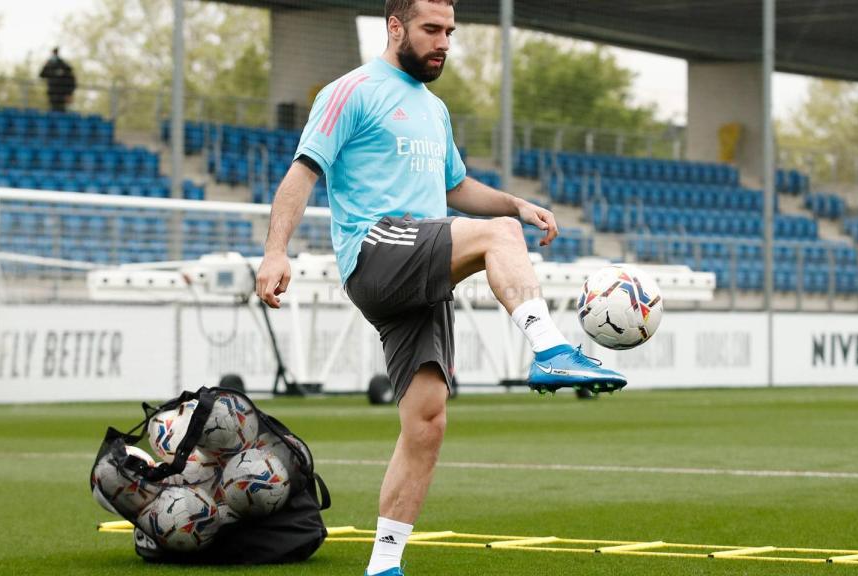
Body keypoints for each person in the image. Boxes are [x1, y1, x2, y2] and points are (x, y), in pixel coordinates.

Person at [255, 1, 627, 574]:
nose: (444, 42)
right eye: (432, 29)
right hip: (376, 249)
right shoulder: (350, 91)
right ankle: (551, 350)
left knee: (427, 421)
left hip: (419, 267)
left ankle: (384, 564)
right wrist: (276, 249)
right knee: (498, 236)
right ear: (396, 27)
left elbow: (456, 187)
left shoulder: (434, 108)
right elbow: (303, 171)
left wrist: (516, 204)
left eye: (450, 31)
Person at [38, 48, 77, 113]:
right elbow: (42, 75)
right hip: (52, 91)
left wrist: (69, 93)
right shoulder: (49, 64)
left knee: (61, 110)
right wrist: (46, 65)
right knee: (53, 109)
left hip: (62, 92)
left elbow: (71, 79)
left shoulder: (63, 64)